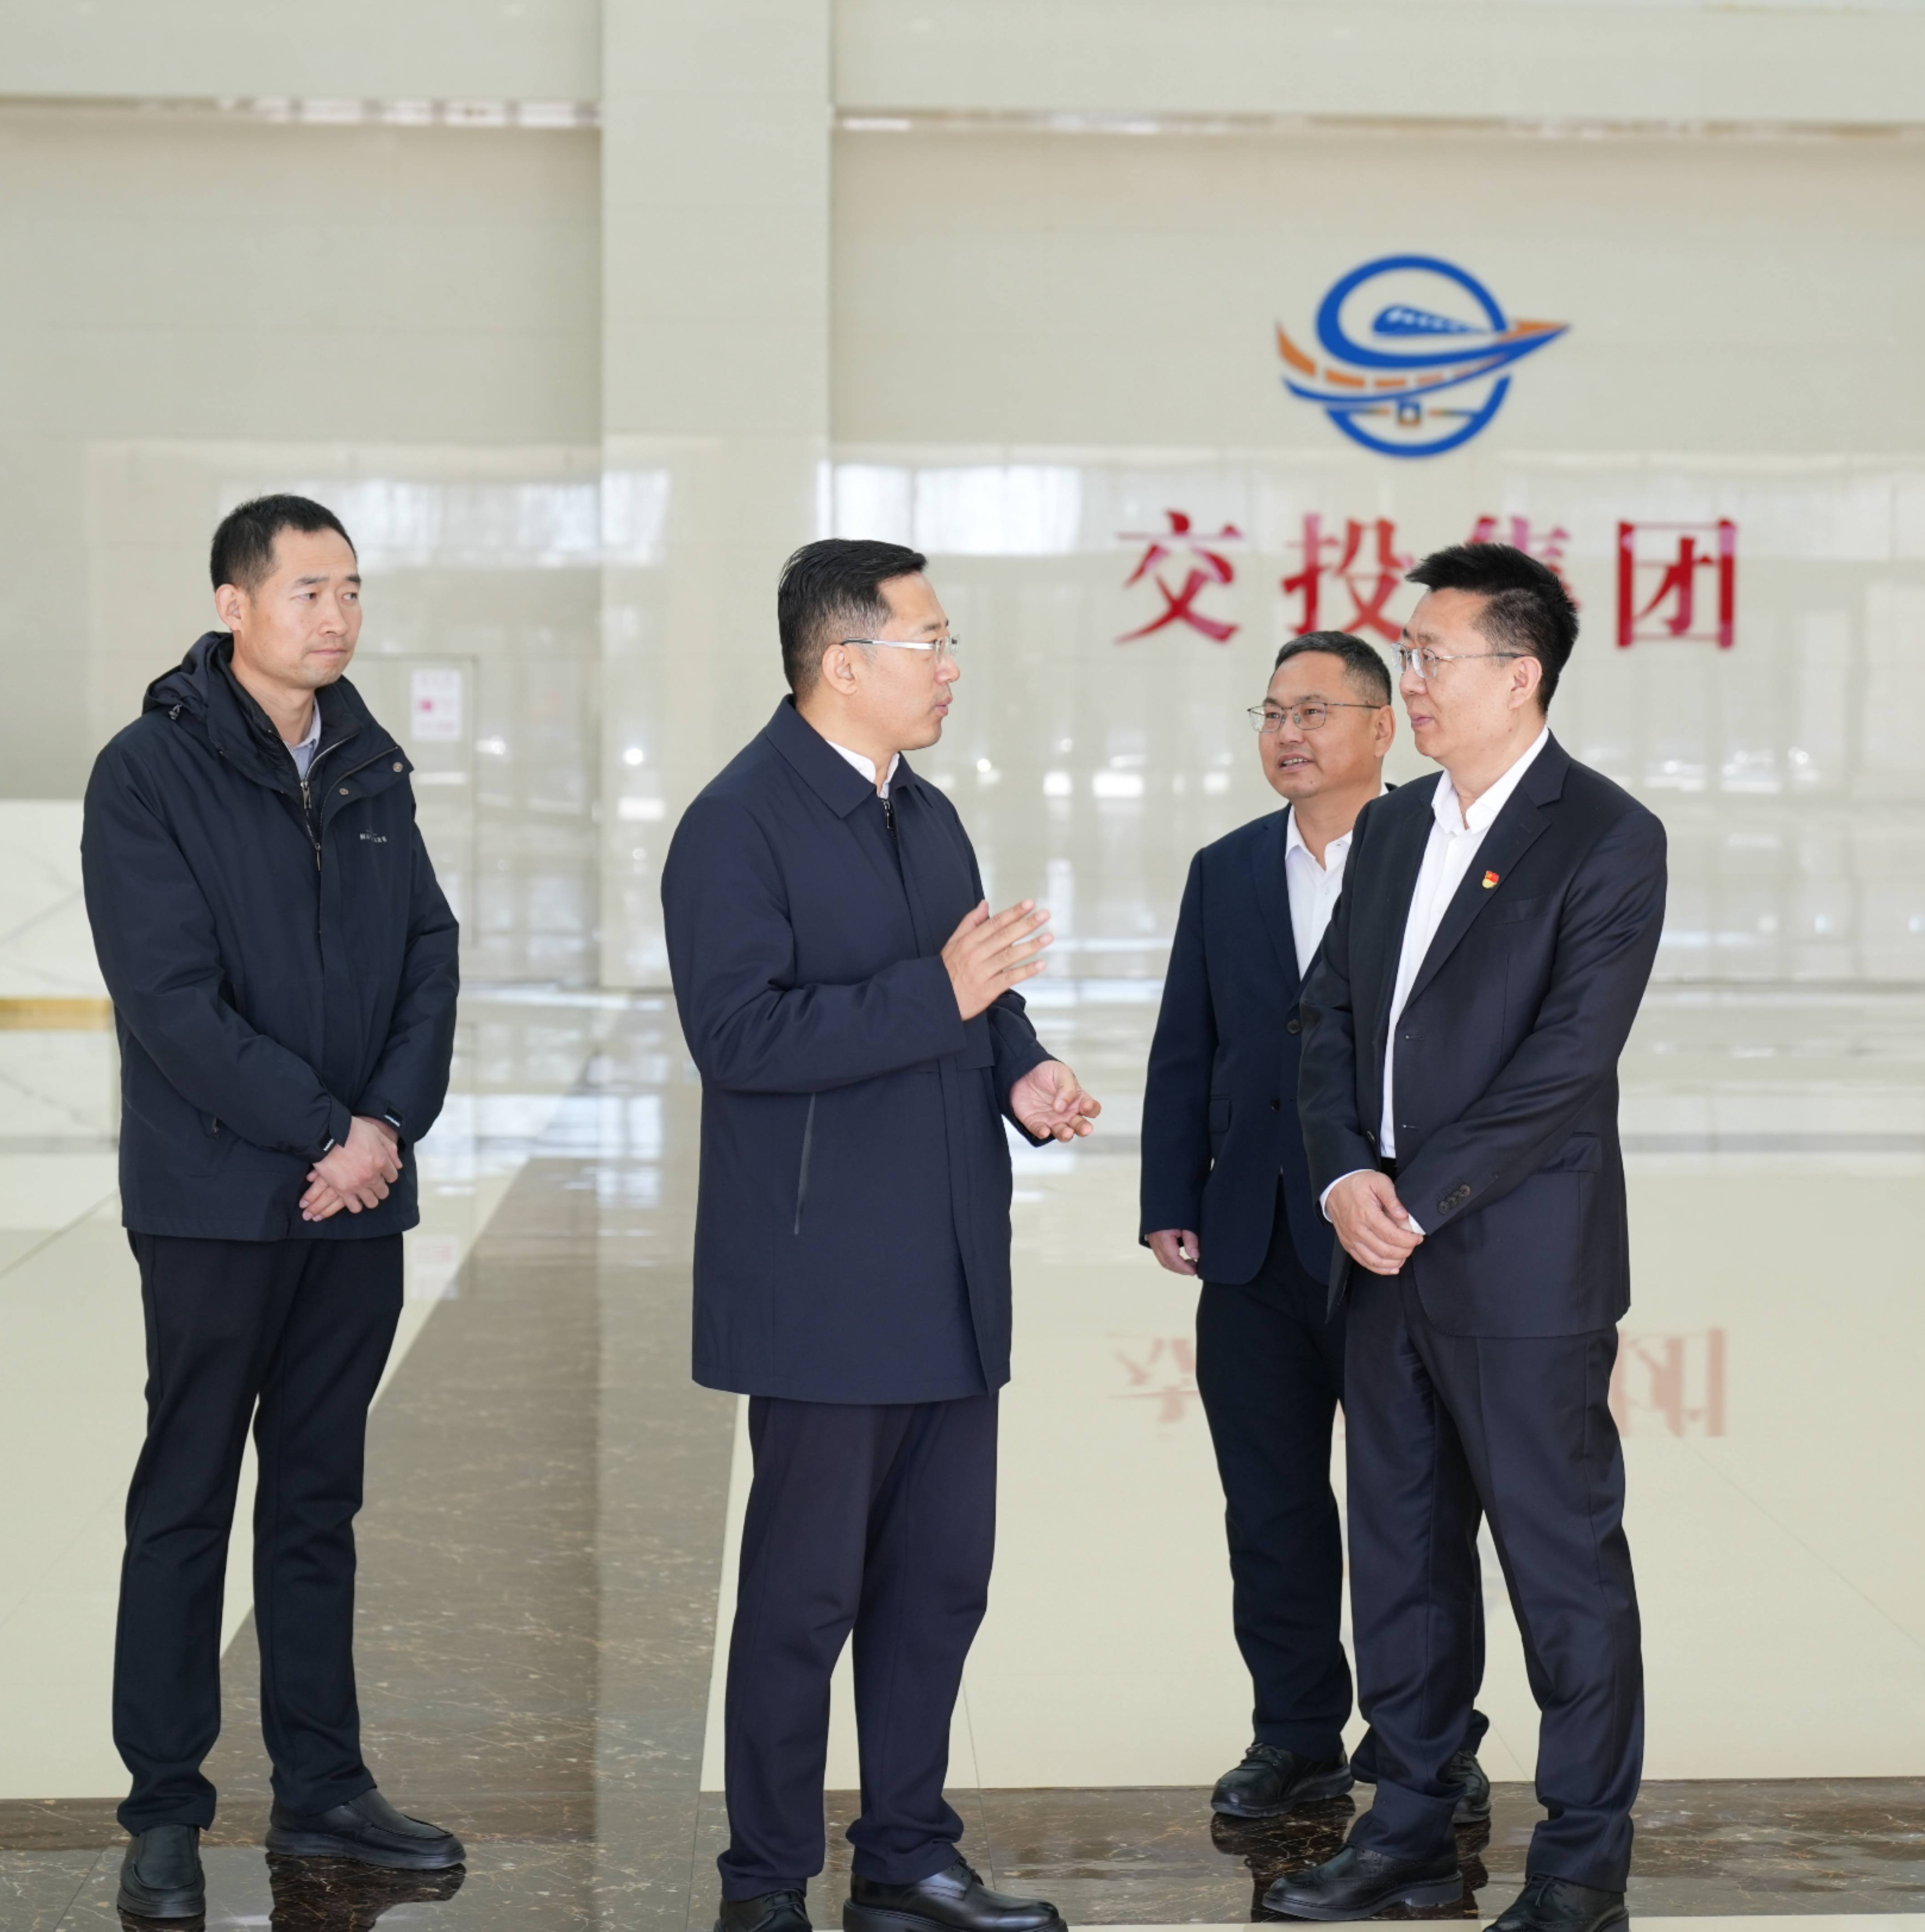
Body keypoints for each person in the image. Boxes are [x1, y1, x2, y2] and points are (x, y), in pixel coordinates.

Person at [664, 539, 1104, 1932]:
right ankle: (765, 1882)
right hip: (823, 1283)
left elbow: (978, 993)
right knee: (803, 1603)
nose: (952, 668)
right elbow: (738, 1036)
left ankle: (909, 1855)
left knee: (936, 1589)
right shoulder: (738, 825)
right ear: (844, 662)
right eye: (933, 642)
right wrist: (943, 995)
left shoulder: (927, 812)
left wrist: (1025, 1069)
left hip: (949, 1268)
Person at [1264, 544, 1667, 1932]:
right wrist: (1343, 1176)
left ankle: (1582, 1863)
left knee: (1561, 1566)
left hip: (1519, 1265)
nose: (1414, 683)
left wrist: (1418, 1196)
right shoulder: (1391, 830)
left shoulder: (1604, 836)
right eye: (1411, 656)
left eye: (1433, 659)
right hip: (1378, 1252)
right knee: (1402, 1553)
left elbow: (1567, 1062)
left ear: (1520, 675)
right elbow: (1325, 1015)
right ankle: (1411, 1829)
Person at [80, 493, 466, 1922]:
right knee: (186, 1501)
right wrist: (326, 1130)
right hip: (213, 1202)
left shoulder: (370, 765)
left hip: (354, 1206)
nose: (338, 616)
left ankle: (324, 1785)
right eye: (310, 591)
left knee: (318, 1503)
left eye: (352, 590)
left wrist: (385, 1131)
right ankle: (164, 1809)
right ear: (233, 604)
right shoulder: (148, 770)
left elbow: (430, 951)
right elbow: (171, 1001)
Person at [1139, 633, 1493, 1827]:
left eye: (1316, 711)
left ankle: (1429, 1739)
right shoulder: (1227, 868)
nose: (1289, 734)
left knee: (1417, 1510)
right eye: (1273, 714)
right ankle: (1293, 1734)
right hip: (1253, 1240)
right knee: (1272, 1504)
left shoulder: (1441, 855)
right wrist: (1170, 1199)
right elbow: (1188, 1041)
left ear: (1383, 728)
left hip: (1398, 1237)